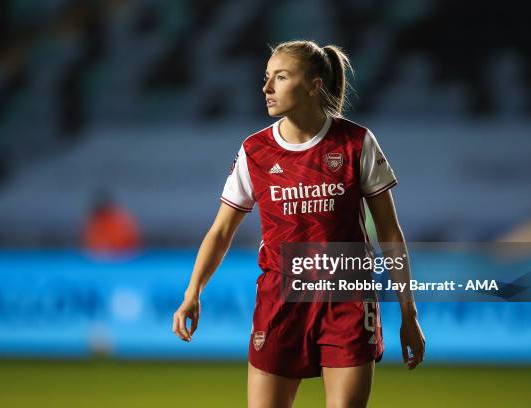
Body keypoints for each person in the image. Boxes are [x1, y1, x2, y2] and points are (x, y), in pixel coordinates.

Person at [172, 40, 425, 408]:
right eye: (266, 77)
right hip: (280, 301)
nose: (267, 88)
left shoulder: (356, 143)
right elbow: (221, 231)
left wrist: (408, 312)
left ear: (313, 85)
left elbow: (389, 232)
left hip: (347, 302)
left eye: (281, 77)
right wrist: (192, 293)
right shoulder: (254, 151)